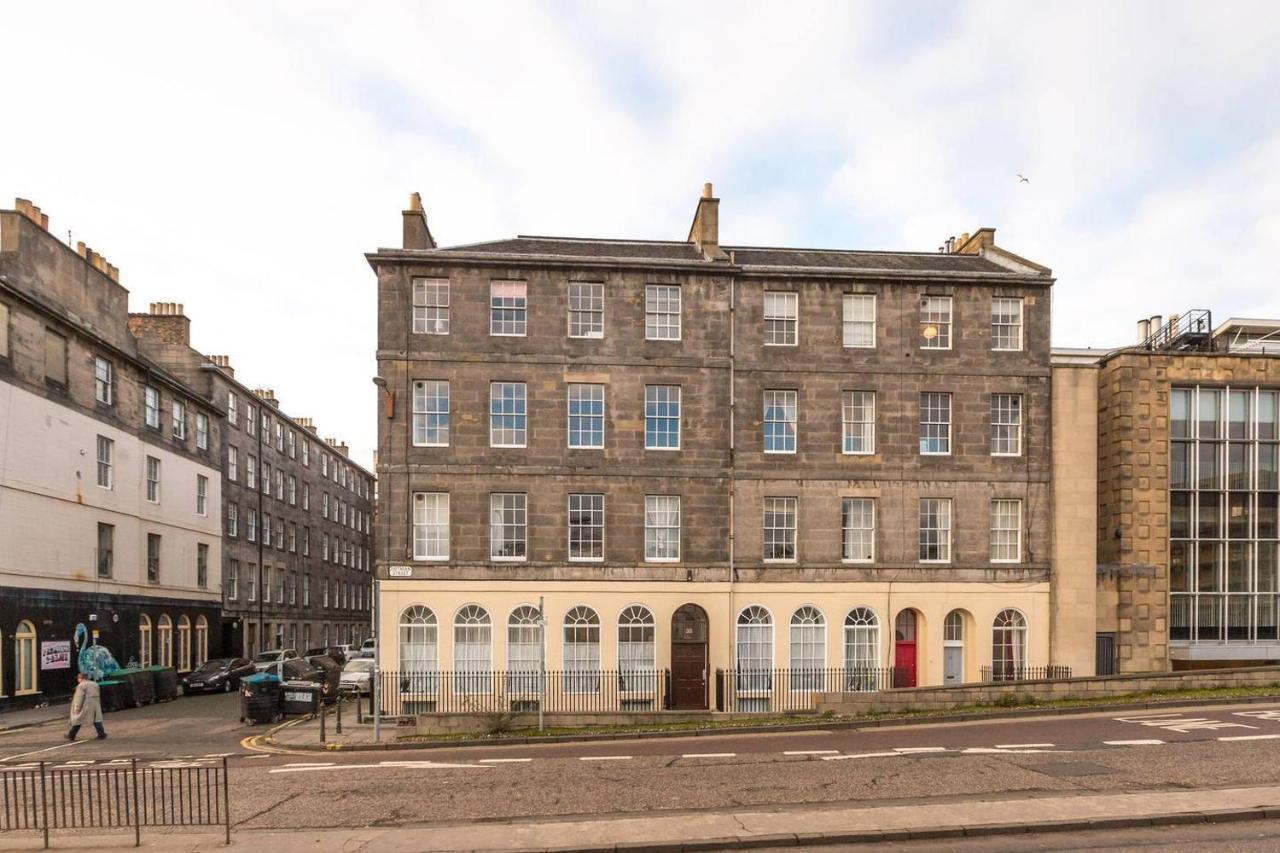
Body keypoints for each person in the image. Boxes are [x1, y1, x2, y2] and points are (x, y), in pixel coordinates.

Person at [67, 672, 107, 741]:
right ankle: (102, 734)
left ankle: (71, 735)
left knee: (78, 719)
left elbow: (79, 697)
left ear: (81, 678)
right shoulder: (95, 684)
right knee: (96, 719)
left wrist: (77, 707)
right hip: (95, 703)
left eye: (78, 678)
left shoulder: (81, 686)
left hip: (86, 704)